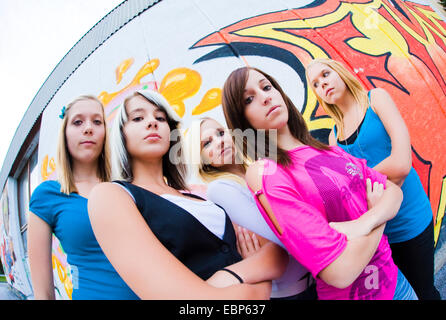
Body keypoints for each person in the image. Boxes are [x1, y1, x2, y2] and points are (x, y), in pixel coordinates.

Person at [221, 66, 418, 300]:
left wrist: (366, 222)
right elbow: (340, 271)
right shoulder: (266, 172)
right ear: (241, 119)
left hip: (397, 282)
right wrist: (377, 214)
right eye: (249, 99)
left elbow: (393, 191)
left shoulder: (325, 149)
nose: (265, 97)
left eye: (267, 87)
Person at [87, 89, 288, 299]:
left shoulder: (201, 199)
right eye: (138, 118)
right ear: (121, 134)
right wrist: (257, 286)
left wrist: (229, 277)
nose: (152, 122)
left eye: (160, 118)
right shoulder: (111, 195)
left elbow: (276, 253)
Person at [306, 58, 441, 300]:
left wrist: (362, 181)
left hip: (411, 220)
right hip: (379, 232)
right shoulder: (333, 138)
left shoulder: (376, 99)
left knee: (425, 292)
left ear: (340, 72)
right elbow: (350, 194)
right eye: (315, 84)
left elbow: (401, 163)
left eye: (326, 74)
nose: (322, 84)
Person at [184, 117, 318, 300]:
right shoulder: (219, 189)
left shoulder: (257, 168)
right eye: (207, 143)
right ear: (202, 160)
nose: (220, 141)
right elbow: (280, 235)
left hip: (315, 277)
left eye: (221, 133)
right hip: (294, 293)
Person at [28, 95, 140, 299]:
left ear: (105, 133)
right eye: (78, 122)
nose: (88, 128)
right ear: (65, 134)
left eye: (97, 121)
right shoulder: (47, 195)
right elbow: (43, 293)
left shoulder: (128, 188)